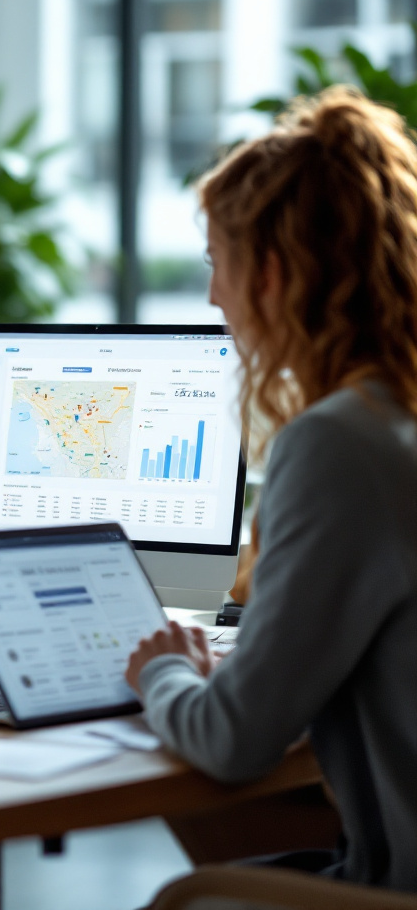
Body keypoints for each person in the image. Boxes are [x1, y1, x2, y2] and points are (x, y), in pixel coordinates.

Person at [125, 86, 417, 892]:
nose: (215, 297)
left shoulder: (337, 445)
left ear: (278, 274)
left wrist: (160, 669)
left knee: (188, 893)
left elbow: (233, 741)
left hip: (390, 886)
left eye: (220, 263)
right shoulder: (396, 418)